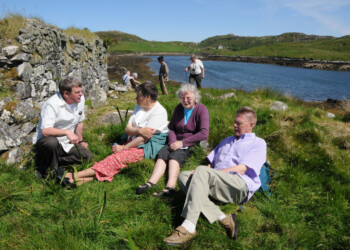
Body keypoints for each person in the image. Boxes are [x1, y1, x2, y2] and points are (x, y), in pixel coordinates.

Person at [164, 106, 267, 245]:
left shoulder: (258, 143)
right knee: (184, 176)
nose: (235, 126)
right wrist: (201, 173)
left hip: (239, 185)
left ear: (251, 125)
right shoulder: (227, 140)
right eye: (235, 122)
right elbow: (211, 164)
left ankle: (189, 226)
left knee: (201, 171)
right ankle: (223, 218)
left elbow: (242, 169)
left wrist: (205, 173)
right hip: (217, 181)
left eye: (239, 123)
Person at [65, 82, 169, 186]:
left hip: (147, 146)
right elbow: (127, 129)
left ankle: (73, 176)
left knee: (116, 159)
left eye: (138, 96)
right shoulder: (139, 106)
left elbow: (143, 139)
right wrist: (138, 131)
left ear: (147, 97)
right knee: (115, 162)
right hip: (134, 139)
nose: (136, 99)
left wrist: (123, 148)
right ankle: (78, 182)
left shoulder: (159, 112)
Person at [137, 84, 209, 196]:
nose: (185, 101)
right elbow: (171, 129)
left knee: (174, 157)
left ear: (195, 97)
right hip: (175, 141)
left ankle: (170, 188)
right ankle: (151, 183)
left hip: (190, 143)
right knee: (162, 155)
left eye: (188, 98)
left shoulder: (202, 110)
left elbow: (204, 133)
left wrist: (182, 143)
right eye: (182, 98)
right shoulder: (178, 108)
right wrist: (172, 142)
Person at [32, 77, 93, 183]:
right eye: (77, 92)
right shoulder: (52, 104)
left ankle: (48, 163)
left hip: (67, 143)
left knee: (87, 156)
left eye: (81, 91)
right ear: (66, 93)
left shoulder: (80, 100)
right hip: (47, 142)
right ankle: (51, 173)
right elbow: (45, 131)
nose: (81, 94)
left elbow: (79, 122)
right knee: (51, 142)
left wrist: (81, 141)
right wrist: (67, 132)